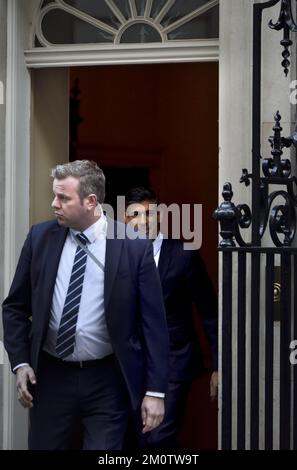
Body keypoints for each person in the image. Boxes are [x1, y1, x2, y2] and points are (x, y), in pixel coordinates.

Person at [2, 161, 169, 450]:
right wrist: (20, 362)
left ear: (91, 201)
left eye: (63, 197)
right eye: (55, 195)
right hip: (51, 376)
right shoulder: (40, 237)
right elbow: (14, 307)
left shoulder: (132, 246)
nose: (54, 204)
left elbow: (154, 325)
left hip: (107, 378)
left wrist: (156, 392)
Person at [125, 187, 218, 449]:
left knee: (159, 438)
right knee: (135, 438)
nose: (144, 221)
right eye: (136, 214)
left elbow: (209, 312)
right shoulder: (116, 256)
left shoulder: (183, 253)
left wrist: (219, 365)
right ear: (125, 220)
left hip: (174, 362)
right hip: (130, 365)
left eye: (151, 213)